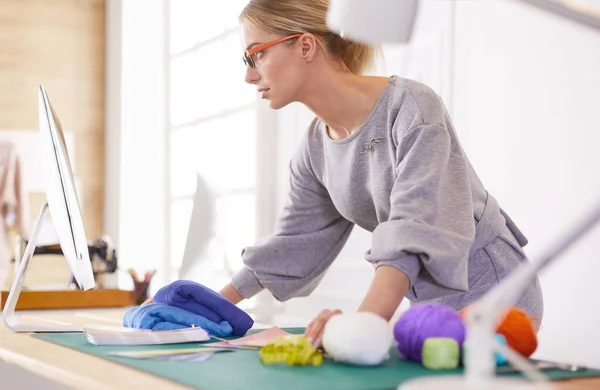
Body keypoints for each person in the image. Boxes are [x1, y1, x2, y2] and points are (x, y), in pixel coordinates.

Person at [160, 0, 545, 347]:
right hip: (426, 302)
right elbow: (296, 243)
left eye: (254, 56)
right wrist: (207, 310)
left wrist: (362, 326)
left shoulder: (411, 108)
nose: (248, 76)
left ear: (306, 45)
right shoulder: (314, 147)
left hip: (493, 289)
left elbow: (413, 228)